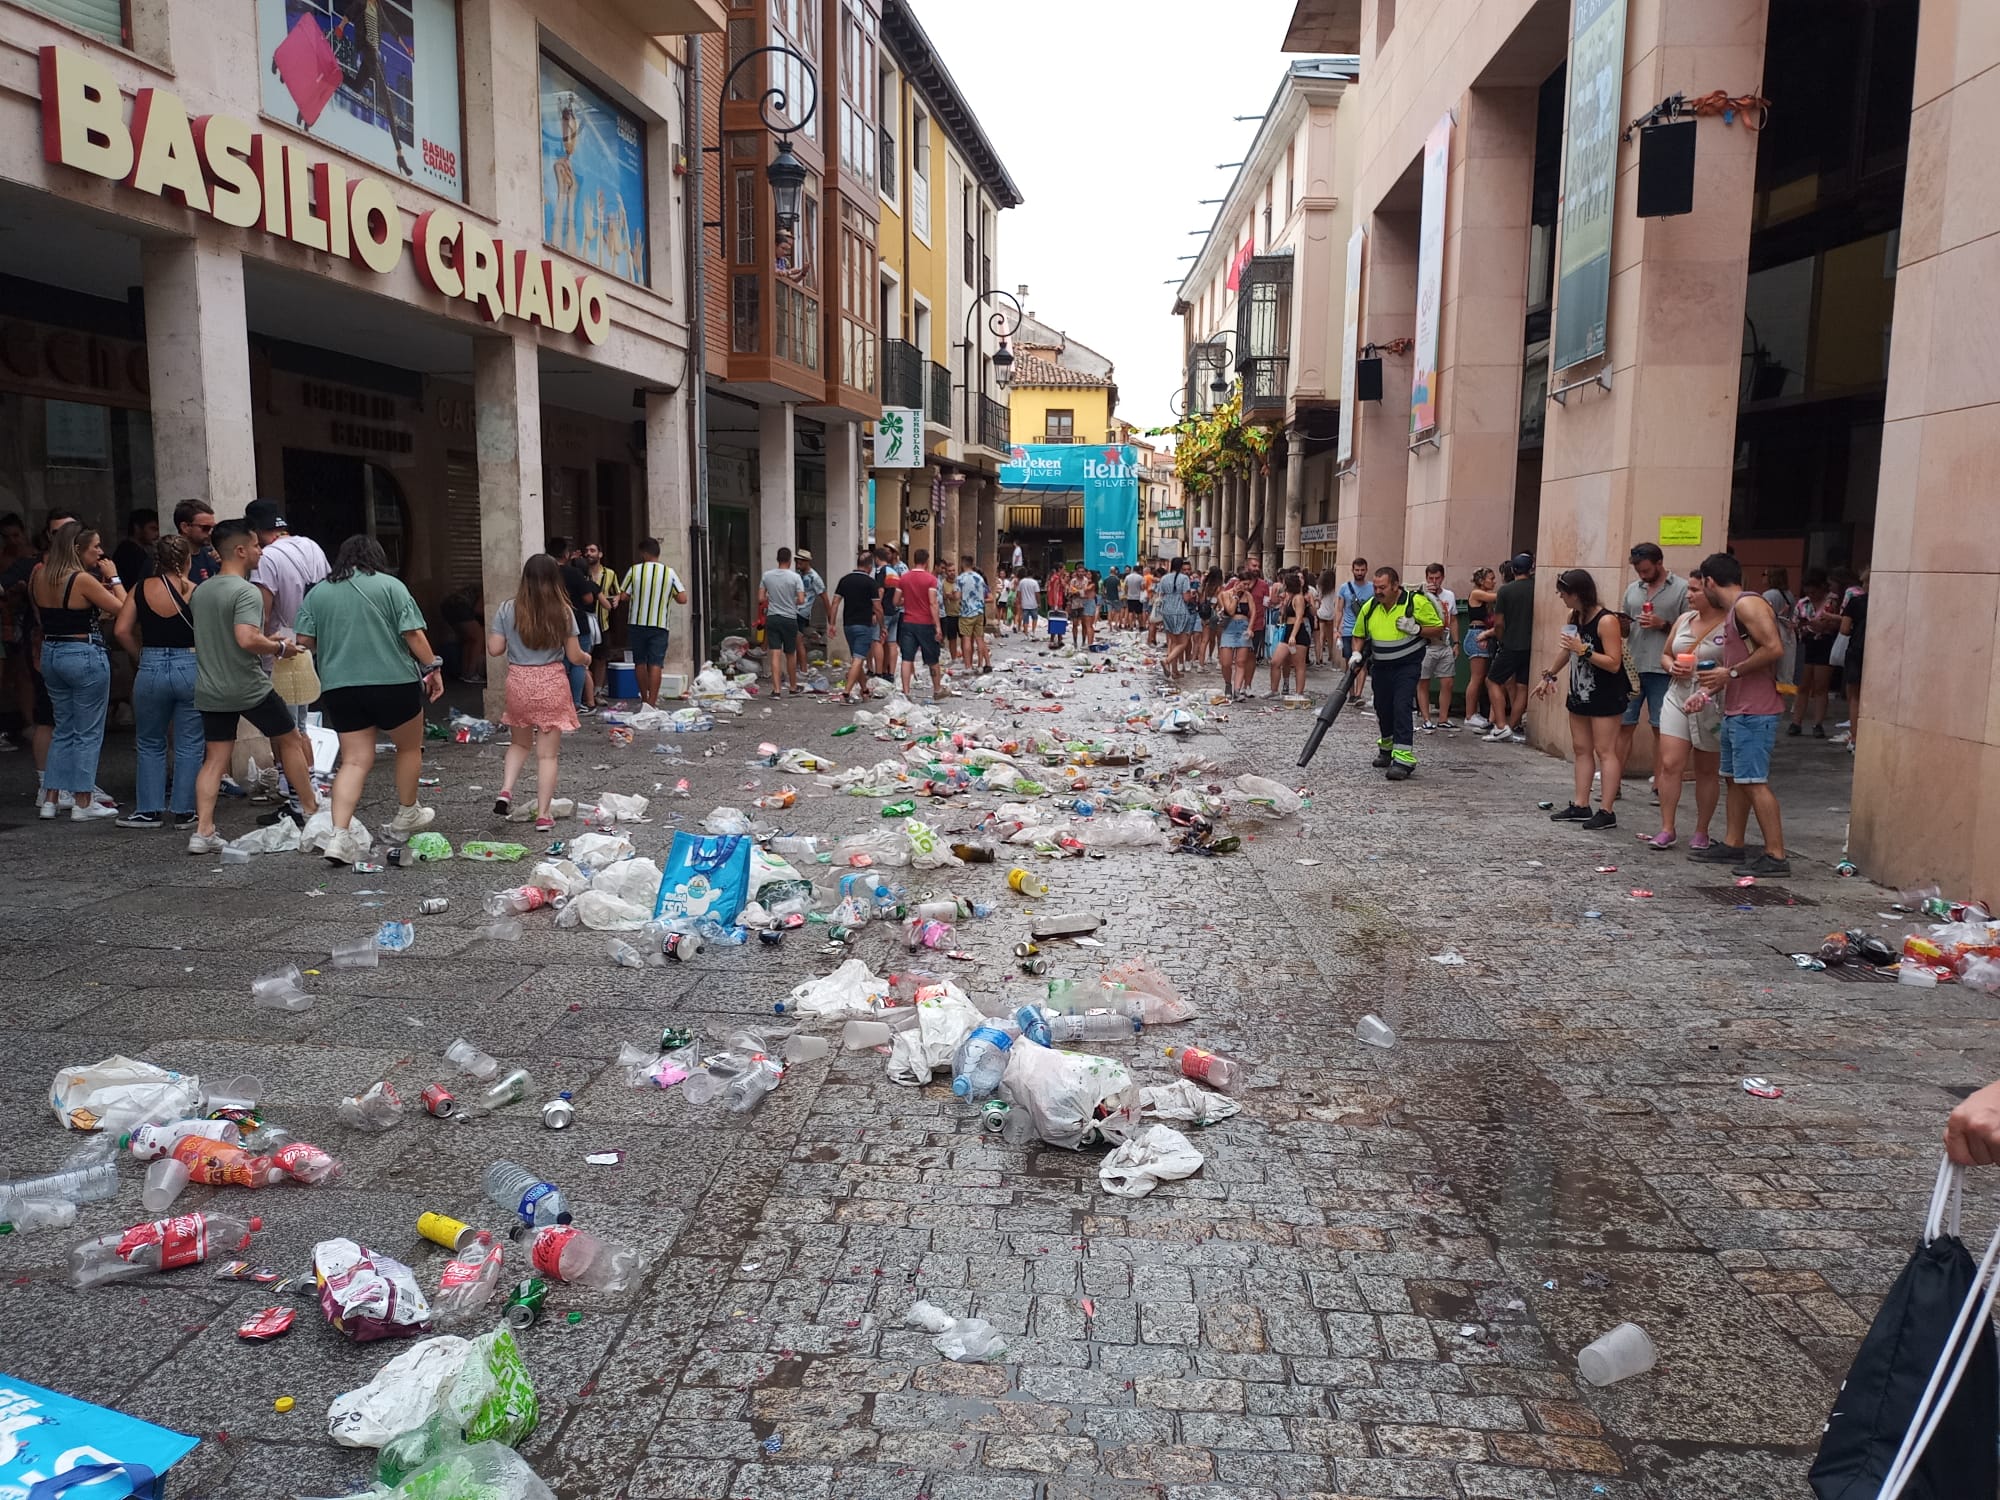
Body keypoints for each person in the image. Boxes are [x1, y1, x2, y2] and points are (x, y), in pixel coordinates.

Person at [293, 536, 444, 865]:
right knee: (408, 747)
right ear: (377, 557)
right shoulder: (391, 586)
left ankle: (339, 836)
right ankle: (407, 812)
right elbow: (413, 635)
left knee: (354, 761)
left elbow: (304, 640)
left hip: (340, 687)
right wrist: (433, 667)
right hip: (394, 683)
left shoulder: (318, 592)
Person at [187, 521, 320, 854]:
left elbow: (227, 635)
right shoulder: (245, 590)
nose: (263, 551)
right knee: (289, 738)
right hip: (248, 685)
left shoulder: (201, 591)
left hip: (210, 686)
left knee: (215, 759)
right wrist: (278, 648)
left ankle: (203, 832)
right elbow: (245, 638)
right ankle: (311, 811)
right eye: (257, 546)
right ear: (241, 550)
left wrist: (265, 640)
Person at [1689, 552, 1789, 876]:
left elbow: (1773, 648)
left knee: (1754, 781)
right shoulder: (1738, 610)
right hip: (1738, 709)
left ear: (1709, 582)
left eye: (1702, 587)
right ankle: (1734, 844)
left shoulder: (1748, 605)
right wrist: (1709, 691)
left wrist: (1729, 675)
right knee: (1736, 780)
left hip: (1755, 711)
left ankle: (1775, 854)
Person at [32, 522, 125, 821]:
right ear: (76, 549)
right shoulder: (81, 579)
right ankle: (83, 802)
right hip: (82, 653)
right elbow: (124, 608)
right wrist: (114, 577)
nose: (100, 551)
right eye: (95, 546)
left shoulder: (40, 575)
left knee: (63, 727)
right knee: (87, 731)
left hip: (52, 652)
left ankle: (51, 798)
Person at [488, 554, 587, 833]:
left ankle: (506, 790)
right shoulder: (563, 611)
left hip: (518, 681)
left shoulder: (508, 608)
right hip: (550, 682)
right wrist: (587, 660)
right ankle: (543, 815)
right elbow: (574, 655)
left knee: (519, 744)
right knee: (547, 756)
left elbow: (494, 649)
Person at [112, 534, 202, 830]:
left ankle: (148, 810)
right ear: (188, 559)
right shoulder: (196, 591)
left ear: (156, 560)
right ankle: (185, 811)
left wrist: (141, 656)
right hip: (189, 664)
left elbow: (122, 630)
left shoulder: (140, 588)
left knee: (150, 741)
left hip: (150, 666)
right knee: (189, 743)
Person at [1534, 569, 1628, 829]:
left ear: (1576, 593)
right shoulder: (1574, 616)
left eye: (1563, 592)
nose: (1560, 597)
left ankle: (1607, 810)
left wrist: (1584, 650)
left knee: (1605, 750)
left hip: (1605, 692)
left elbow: (1613, 663)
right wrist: (1549, 676)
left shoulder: (1606, 621)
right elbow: (1566, 651)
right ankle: (1580, 804)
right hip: (1579, 691)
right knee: (1581, 748)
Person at [1648, 567, 1725, 852]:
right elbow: (1666, 654)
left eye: (1695, 590)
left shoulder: (1730, 625)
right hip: (1678, 695)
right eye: (1688, 589)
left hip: (1712, 700)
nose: (1688, 594)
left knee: (1706, 769)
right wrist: (1672, 666)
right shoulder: (1684, 620)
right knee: (1670, 764)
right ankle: (1667, 827)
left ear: (1711, 591)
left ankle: (1702, 830)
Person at [1351, 566, 1444, 780]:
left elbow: (1439, 628)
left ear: (1395, 585)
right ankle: (1387, 749)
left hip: (1407, 666)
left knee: (1401, 706)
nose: (1377, 591)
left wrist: (1417, 629)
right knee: (1382, 707)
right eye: (1375, 587)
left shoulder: (1415, 603)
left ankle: (1403, 759)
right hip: (1381, 667)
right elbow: (1359, 633)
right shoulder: (1371, 606)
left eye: (1382, 587)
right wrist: (1356, 653)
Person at [1616, 543, 1688, 771]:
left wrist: (1663, 624)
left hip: (1662, 668)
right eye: (1639, 572)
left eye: (1646, 570)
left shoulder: (1682, 589)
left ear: (1659, 563)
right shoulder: (1633, 589)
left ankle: (1660, 782)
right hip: (1632, 666)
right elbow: (1625, 631)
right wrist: (1622, 625)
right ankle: (1613, 782)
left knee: (1662, 728)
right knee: (1623, 725)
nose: (1642, 575)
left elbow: (1690, 631)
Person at [617, 539, 685, 707]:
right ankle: (653, 703)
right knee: (656, 663)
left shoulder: (634, 571)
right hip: (659, 624)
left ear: (643, 553)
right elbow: (683, 598)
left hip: (636, 623)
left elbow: (623, 596)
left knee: (640, 661)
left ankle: (644, 699)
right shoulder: (669, 573)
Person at [1484, 553, 1536, 743]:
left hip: (1511, 643)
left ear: (1513, 570)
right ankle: (1512, 727)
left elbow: (1499, 622)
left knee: (1492, 680)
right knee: (1522, 686)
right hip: (1530, 644)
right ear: (1531, 569)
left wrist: (1500, 638)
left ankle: (1500, 725)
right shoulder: (1535, 588)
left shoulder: (1506, 591)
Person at [543, 537, 600, 712]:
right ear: (566, 554)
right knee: (578, 663)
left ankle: (559, 701)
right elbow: (588, 598)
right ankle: (575, 703)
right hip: (576, 621)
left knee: (558, 663)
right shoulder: (573, 573)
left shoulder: (544, 574)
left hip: (551, 623)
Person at [1788, 568, 1838, 737]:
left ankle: (1818, 723)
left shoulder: (1832, 601)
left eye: (1814, 591)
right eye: (1808, 592)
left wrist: (1823, 626)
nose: (1812, 595)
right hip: (1807, 643)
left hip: (1825, 643)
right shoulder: (1803, 603)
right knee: (1803, 684)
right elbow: (1794, 623)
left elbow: (1838, 623)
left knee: (1820, 686)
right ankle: (1796, 721)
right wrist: (1803, 626)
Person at [896, 548, 947, 700]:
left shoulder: (903, 578)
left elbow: (895, 601)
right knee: (932, 658)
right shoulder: (931, 580)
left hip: (908, 622)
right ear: (926, 562)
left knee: (907, 658)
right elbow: (933, 603)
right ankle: (937, 690)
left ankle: (906, 692)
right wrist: (938, 626)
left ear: (914, 560)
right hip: (925, 623)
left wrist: (907, 601)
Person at [832, 551, 882, 703]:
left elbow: (835, 603)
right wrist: (883, 625)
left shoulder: (845, 580)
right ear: (869, 566)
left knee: (857, 658)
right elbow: (878, 607)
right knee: (859, 658)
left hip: (848, 625)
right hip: (864, 626)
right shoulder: (871, 583)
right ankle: (846, 693)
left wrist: (832, 623)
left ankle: (864, 690)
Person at [1415, 563, 1459, 731]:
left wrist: (1456, 642)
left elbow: (1453, 619)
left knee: (1447, 681)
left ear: (1443, 577)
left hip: (1444, 642)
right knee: (1423, 682)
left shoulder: (1449, 595)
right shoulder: (1420, 596)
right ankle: (1426, 718)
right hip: (1427, 644)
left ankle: (1443, 718)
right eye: (1431, 578)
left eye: (1437, 578)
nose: (1434, 581)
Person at [758, 548, 804, 696]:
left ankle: (776, 689)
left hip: (772, 618)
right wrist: (792, 601)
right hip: (789, 618)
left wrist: (772, 600)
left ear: (777, 559)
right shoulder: (795, 577)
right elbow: (801, 600)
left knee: (775, 653)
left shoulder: (767, 576)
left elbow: (761, 598)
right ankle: (792, 686)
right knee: (790, 653)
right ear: (790, 560)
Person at [1463, 567, 1499, 730]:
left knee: (1481, 677)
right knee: (1476, 678)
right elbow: (1497, 597)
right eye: (1491, 578)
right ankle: (1469, 715)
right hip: (1476, 633)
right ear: (1482, 580)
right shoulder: (1477, 593)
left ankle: (1474, 713)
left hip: (1483, 633)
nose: (1493, 581)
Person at [1267, 569, 1311, 698]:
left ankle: (1299, 693)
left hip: (1297, 632)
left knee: (1299, 664)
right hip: (1287, 629)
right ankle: (1274, 690)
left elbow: (1299, 618)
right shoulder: (1289, 597)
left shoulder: (1299, 598)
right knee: (1275, 661)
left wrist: (1293, 635)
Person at [1334, 560, 1372, 708]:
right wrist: (1337, 629)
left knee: (1362, 663)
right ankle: (1350, 693)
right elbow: (1339, 609)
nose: (1359, 573)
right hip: (1348, 630)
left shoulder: (1372, 589)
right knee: (1350, 662)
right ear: (1352, 570)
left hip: (1365, 631)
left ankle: (1358, 694)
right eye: (1357, 570)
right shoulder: (1345, 588)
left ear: (1366, 570)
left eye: (1362, 570)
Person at [582, 543, 615, 704]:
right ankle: (587, 695)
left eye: (593, 550)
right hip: (583, 624)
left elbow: (618, 593)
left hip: (603, 624)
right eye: (587, 551)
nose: (589, 553)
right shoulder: (580, 574)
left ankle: (597, 692)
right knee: (584, 659)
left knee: (601, 659)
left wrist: (616, 599)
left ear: (600, 554)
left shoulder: (610, 574)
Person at [1839, 575, 1867, 757]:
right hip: (1881, 650)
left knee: (1854, 695)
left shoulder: (1856, 602)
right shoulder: (1888, 600)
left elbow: (1844, 629)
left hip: (1857, 649)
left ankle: (1855, 737)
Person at [1157, 557, 1198, 682]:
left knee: (1173, 641)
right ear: (1180, 567)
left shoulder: (1164, 578)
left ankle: (1174, 671)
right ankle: (1167, 661)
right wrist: (1192, 595)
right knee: (1183, 642)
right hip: (1180, 611)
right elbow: (1186, 598)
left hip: (1167, 610)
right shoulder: (1184, 578)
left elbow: (1161, 594)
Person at [1761, 566, 1798, 689]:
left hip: (1772, 631)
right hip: (1787, 633)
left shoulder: (1768, 595)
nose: (1762, 577)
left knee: (1770, 666)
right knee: (1784, 666)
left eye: (1765, 574)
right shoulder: (1789, 595)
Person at [793, 549, 825, 682]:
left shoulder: (814, 577)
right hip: (794, 609)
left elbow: (824, 597)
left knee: (798, 640)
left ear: (807, 562)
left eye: (800, 560)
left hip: (801, 612)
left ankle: (804, 669)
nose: (797, 563)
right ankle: (801, 668)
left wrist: (831, 619)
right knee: (796, 640)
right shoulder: (798, 574)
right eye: (796, 560)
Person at [173, 499, 221, 585]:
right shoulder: (169, 558)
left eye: (213, 527)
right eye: (205, 528)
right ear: (185, 527)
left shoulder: (211, 556)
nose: (210, 532)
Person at [956, 556, 990, 672]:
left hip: (966, 612)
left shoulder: (960, 579)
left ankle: (968, 666)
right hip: (979, 612)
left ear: (962, 564)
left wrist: (951, 595)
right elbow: (987, 594)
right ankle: (980, 665)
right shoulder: (979, 578)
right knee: (979, 639)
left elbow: (957, 596)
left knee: (966, 639)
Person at [112, 509, 159, 586]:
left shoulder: (136, 550)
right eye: (153, 529)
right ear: (137, 528)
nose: (157, 534)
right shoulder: (129, 552)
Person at [1313, 568, 1343, 666]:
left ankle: (1320, 655)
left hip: (1322, 613)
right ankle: (1331, 654)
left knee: (1321, 635)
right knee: (1330, 637)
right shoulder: (1335, 588)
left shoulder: (1321, 587)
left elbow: (1320, 598)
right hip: (1331, 613)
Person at [1016, 568, 1041, 633]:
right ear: (1033, 574)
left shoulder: (1022, 582)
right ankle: (1033, 631)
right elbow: (1037, 594)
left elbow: (1019, 593)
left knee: (1025, 619)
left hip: (1024, 603)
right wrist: (1038, 602)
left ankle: (1026, 632)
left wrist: (1019, 601)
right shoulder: (1035, 582)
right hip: (1033, 603)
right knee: (1034, 618)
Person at [1122, 562, 1145, 627]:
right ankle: (1141, 626)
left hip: (1130, 597)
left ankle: (1131, 626)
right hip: (1138, 597)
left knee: (1130, 612)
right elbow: (1143, 588)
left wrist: (1126, 593)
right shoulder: (1141, 577)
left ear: (1133, 570)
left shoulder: (1128, 577)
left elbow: (1125, 586)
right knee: (1139, 613)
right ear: (1139, 570)